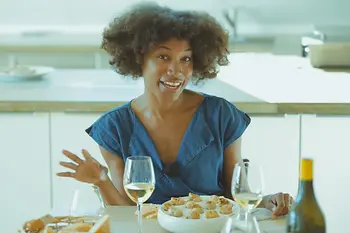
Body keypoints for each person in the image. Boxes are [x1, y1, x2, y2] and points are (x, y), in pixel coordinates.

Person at [57, 2, 293, 218]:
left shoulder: (221, 115)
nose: (176, 70)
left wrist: (268, 202)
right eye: (163, 56)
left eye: (186, 59)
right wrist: (101, 180)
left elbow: (236, 197)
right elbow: (129, 213)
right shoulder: (114, 127)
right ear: (138, 58)